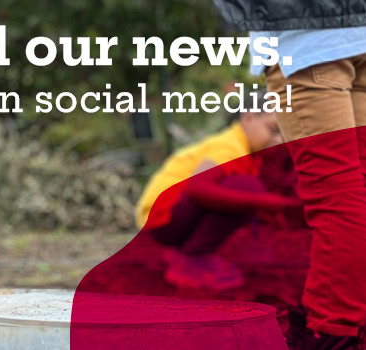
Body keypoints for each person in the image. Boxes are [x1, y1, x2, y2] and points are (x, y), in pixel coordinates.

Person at [214, 1, 366, 346]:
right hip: (356, 32)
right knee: (356, 189)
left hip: (308, 38)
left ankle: (331, 331)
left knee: (335, 196)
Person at [135, 98, 295, 291]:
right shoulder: (230, 146)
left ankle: (183, 253)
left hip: (165, 217)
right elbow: (197, 188)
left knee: (247, 189)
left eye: (284, 135)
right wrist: (260, 201)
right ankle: (191, 260)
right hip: (162, 216)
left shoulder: (248, 151)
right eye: (273, 130)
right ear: (249, 117)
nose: (279, 140)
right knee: (247, 188)